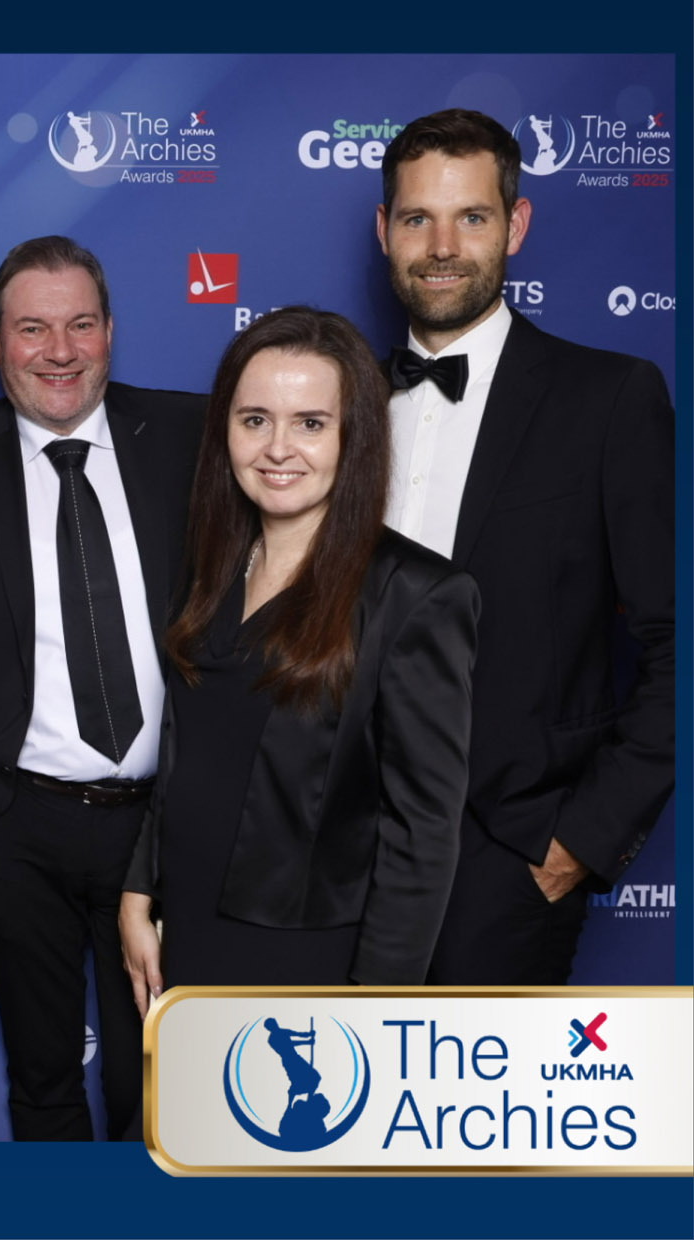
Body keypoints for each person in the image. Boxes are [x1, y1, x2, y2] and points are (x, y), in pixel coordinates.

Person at [373, 109, 674, 984]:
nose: (442, 247)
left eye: (471, 216)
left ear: (516, 224)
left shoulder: (608, 399)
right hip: (335, 850)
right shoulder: (337, 405)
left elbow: (676, 637)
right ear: (384, 230)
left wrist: (580, 838)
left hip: (506, 855)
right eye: (417, 218)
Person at [119, 306, 479, 1005]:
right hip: (186, 924)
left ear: (354, 436)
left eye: (310, 423)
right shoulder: (210, 567)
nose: (277, 448)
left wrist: (376, 1006)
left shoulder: (416, 595)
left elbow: (424, 833)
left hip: (306, 953)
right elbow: (184, 750)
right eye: (255, 420)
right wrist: (141, 887)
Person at [0, 238, 201, 1142]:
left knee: (156, 1075)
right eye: (32, 329)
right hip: (19, 824)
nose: (59, 351)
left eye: (80, 325)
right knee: (42, 1076)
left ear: (110, 332)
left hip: (159, 820)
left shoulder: (194, 438)